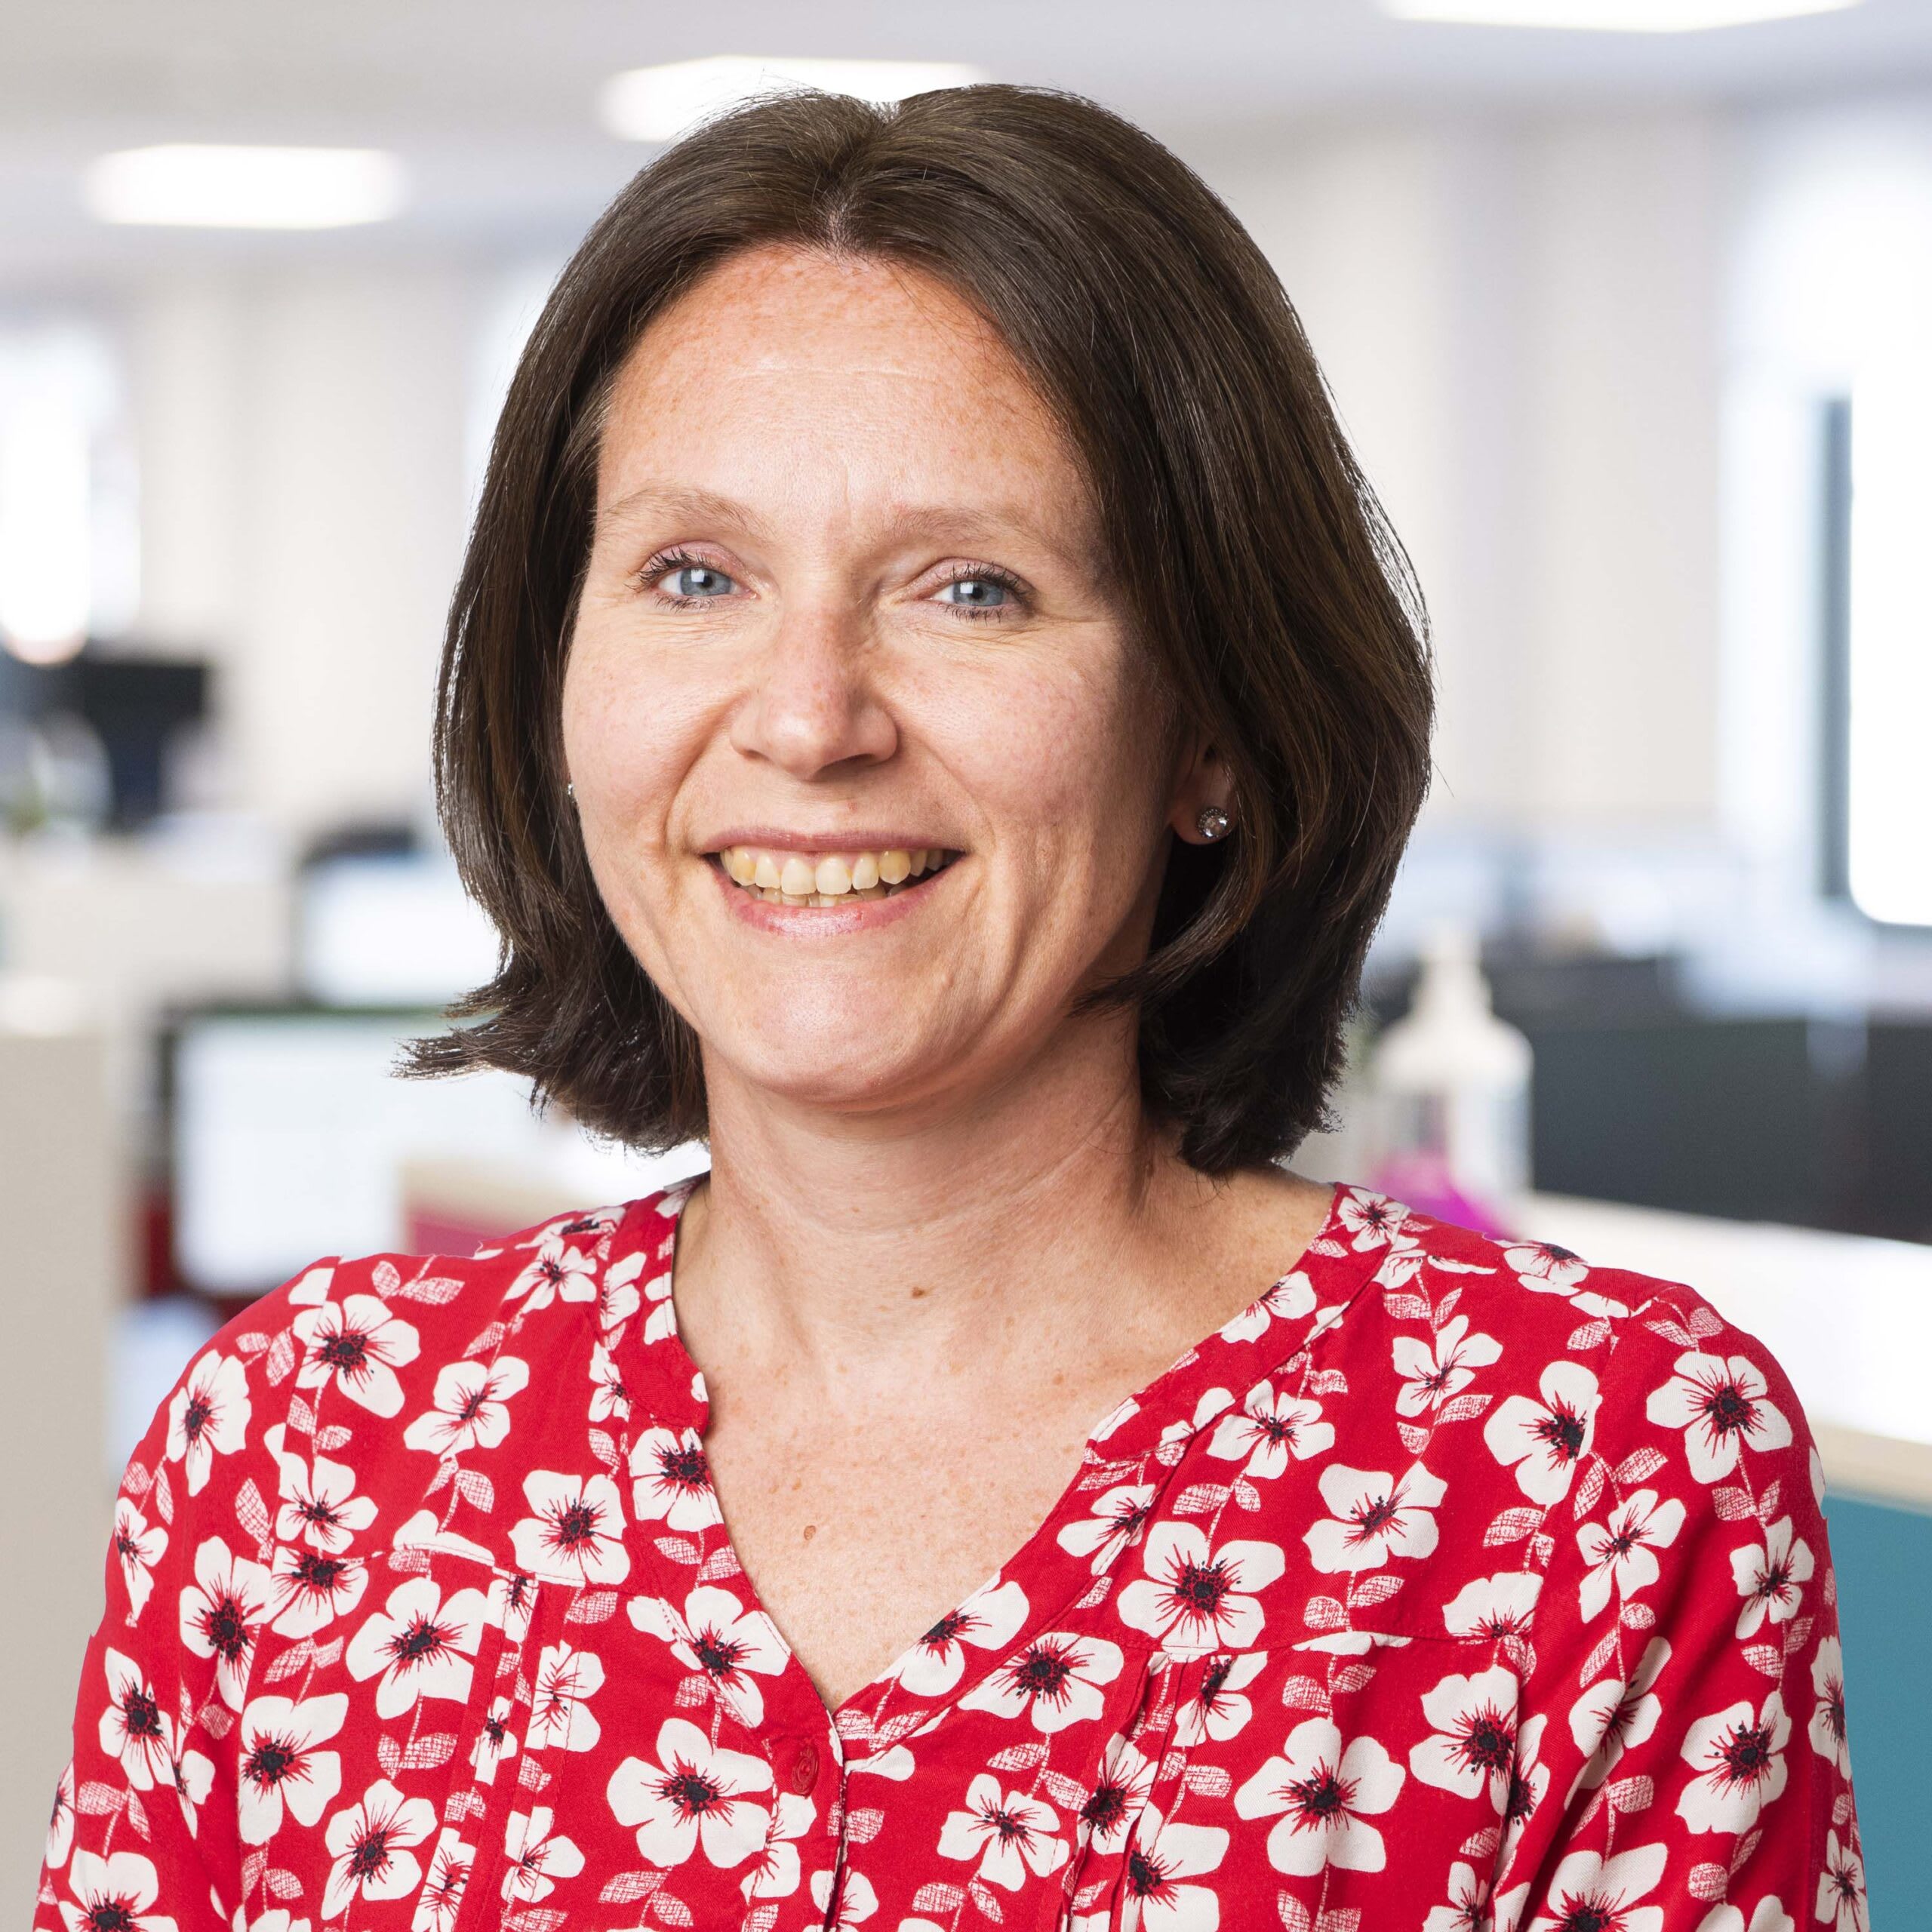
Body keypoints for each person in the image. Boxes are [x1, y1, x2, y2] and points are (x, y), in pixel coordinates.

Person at [38, 86, 1863, 1932]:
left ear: (1210, 725)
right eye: (694, 574)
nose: (808, 716)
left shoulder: (1588, 1481)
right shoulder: (307, 1447)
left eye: (970, 588)